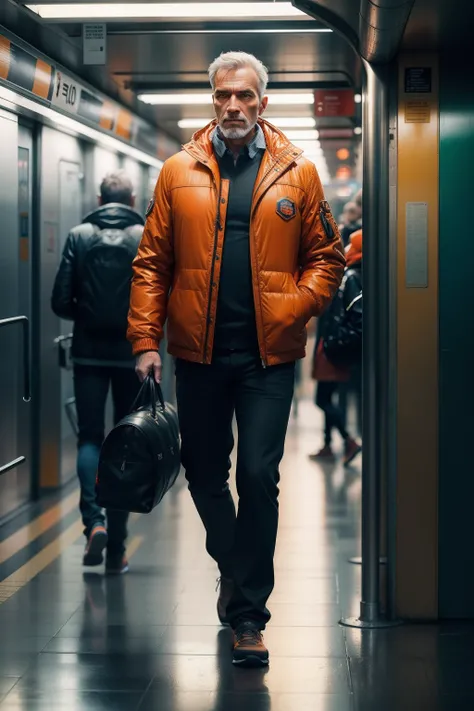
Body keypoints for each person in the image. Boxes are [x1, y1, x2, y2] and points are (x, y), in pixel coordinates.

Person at [127, 51, 345, 667]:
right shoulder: (177, 171)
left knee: (256, 475)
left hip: (267, 359)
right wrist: (145, 340)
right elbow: (152, 264)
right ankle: (236, 565)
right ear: (212, 99)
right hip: (197, 353)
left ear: (262, 102)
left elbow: (327, 257)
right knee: (202, 471)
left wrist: (294, 307)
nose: (233, 107)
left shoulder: (299, 174)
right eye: (223, 95)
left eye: (245, 96)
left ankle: (249, 615)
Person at [51, 171, 144, 574]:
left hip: (88, 353)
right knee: (124, 445)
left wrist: (86, 319)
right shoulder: (145, 235)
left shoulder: (79, 234)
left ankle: (95, 522)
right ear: (132, 198)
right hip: (132, 353)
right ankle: (118, 549)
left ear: (99, 197)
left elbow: (60, 299)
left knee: (90, 438)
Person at [309, 229, 362, 465]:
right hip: (330, 344)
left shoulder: (350, 277)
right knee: (328, 396)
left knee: (323, 398)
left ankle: (348, 440)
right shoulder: (347, 274)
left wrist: (334, 341)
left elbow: (353, 317)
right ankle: (329, 444)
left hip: (332, 347)